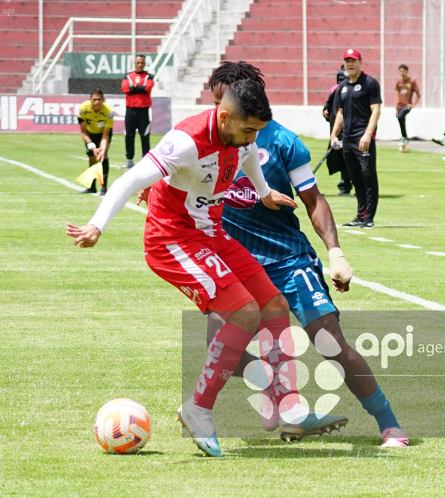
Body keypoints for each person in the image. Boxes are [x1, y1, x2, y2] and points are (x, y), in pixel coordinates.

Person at [67, 79, 309, 458]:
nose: (251, 139)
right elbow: (131, 179)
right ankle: (198, 409)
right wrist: (97, 224)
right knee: (244, 313)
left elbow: (248, 157)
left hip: (212, 233)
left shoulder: (242, 136)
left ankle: (285, 405)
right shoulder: (187, 141)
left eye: (256, 132)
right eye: (247, 130)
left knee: (275, 306)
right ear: (225, 116)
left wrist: (263, 192)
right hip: (172, 240)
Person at [208, 61, 408, 447]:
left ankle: (389, 423)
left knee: (331, 343)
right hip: (234, 264)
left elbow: (313, 200)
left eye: (222, 101)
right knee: (218, 348)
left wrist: (335, 252)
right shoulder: (207, 140)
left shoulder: (282, 142)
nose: (216, 112)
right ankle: (270, 383)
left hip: (287, 261)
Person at [330, 48, 382, 229]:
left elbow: (376, 110)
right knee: (356, 178)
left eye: (353, 60)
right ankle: (360, 215)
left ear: (360, 62)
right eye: (347, 61)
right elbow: (341, 113)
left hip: (363, 139)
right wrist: (334, 134)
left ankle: (369, 218)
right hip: (348, 139)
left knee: (368, 176)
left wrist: (368, 134)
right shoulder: (343, 87)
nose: (350, 64)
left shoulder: (370, 83)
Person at [76, 89, 114, 195]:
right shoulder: (83, 109)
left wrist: (102, 148)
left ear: (103, 100)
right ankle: (92, 187)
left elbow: (106, 135)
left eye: (99, 99)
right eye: (94, 100)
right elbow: (84, 133)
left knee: (103, 156)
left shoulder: (108, 112)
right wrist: (92, 147)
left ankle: (104, 187)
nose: (97, 102)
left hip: (103, 134)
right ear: (90, 100)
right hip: (90, 135)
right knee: (92, 158)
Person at [323, 66, 352, 196]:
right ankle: (346, 187)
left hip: (337, 131)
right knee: (347, 160)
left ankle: (345, 186)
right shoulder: (343, 90)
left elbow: (326, 112)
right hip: (344, 132)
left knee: (344, 160)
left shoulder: (335, 90)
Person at [121, 55, 154, 169]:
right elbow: (125, 89)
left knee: (144, 136)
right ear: (134, 63)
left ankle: (146, 160)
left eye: (142, 63)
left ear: (144, 64)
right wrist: (140, 88)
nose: (140, 65)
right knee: (129, 135)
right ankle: (129, 160)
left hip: (143, 111)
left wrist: (134, 87)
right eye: (138, 62)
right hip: (130, 110)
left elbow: (147, 89)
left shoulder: (149, 76)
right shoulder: (128, 75)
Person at [394, 64, 421, 152]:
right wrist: (396, 108)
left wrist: (413, 105)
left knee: (401, 117)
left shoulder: (411, 81)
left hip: (407, 106)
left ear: (407, 71)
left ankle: (404, 138)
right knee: (400, 118)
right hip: (400, 106)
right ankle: (405, 139)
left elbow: (418, 95)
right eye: (400, 71)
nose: (402, 73)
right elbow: (398, 96)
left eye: (403, 71)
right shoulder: (399, 82)